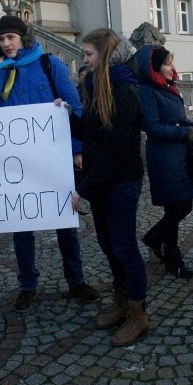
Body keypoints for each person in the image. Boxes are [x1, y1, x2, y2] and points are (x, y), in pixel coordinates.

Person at [0, 15, 100, 312]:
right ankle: (28, 285)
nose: (5, 43)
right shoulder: (0, 71)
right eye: (1, 39)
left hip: (54, 159)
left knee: (64, 223)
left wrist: (77, 149)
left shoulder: (48, 64)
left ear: (23, 38)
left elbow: (74, 107)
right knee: (21, 227)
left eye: (10, 38)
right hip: (18, 163)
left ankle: (76, 280)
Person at [60, 28, 148, 347]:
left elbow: (113, 148)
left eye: (89, 53)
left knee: (124, 246)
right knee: (108, 245)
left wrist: (83, 188)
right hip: (102, 178)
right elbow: (91, 131)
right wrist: (67, 115)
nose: (84, 59)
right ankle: (122, 303)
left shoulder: (124, 90)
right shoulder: (96, 84)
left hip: (121, 179)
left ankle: (138, 314)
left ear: (106, 55)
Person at [134, 44, 193, 279]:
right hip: (164, 158)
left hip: (179, 156)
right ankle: (173, 259)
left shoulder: (168, 88)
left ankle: (153, 237)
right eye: (167, 63)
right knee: (174, 209)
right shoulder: (147, 91)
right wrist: (183, 132)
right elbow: (152, 127)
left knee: (186, 205)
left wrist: (189, 126)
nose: (173, 67)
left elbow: (176, 119)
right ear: (154, 68)